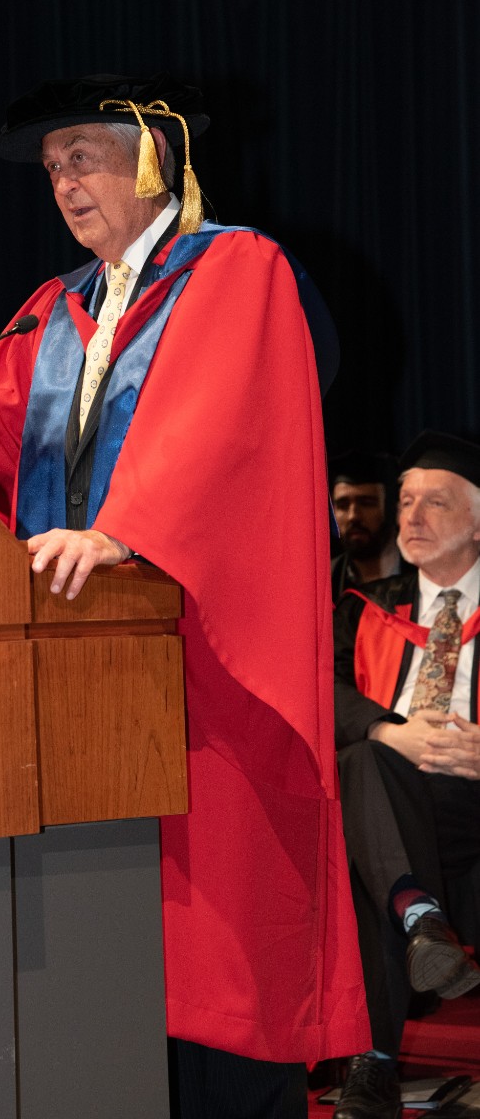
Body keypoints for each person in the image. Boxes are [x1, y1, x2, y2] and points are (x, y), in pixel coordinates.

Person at [0, 73, 369, 1117]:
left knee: (214, 956)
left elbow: (224, 423)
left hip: (194, 660)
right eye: (51, 167)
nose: (63, 182)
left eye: (81, 155)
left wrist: (126, 530)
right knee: (101, 973)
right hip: (75, 674)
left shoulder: (233, 268)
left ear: (151, 152)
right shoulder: (53, 309)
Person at [333, 431, 480, 1119]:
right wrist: (392, 730)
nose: (411, 518)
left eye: (436, 503)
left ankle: (376, 1063)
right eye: (408, 503)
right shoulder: (363, 604)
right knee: (366, 764)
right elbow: (314, 687)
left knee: (369, 835)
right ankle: (420, 917)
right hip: (396, 795)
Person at [330, 450, 403, 603]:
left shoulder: (423, 573)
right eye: (343, 505)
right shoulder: (328, 579)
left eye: (367, 503)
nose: (353, 516)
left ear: (392, 509)